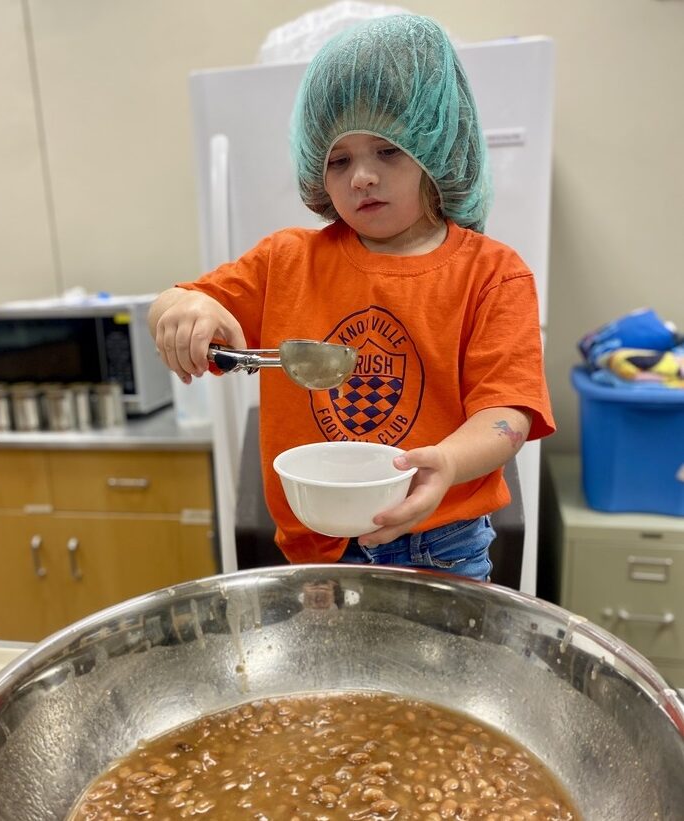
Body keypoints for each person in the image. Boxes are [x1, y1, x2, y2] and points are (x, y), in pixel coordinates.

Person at [149, 14, 555, 581]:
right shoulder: (285, 261)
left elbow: (506, 412)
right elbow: (182, 298)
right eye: (339, 159)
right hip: (316, 550)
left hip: (441, 541)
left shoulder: (492, 274)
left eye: (388, 150)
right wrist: (183, 309)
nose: (361, 175)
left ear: (436, 148)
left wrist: (447, 462)